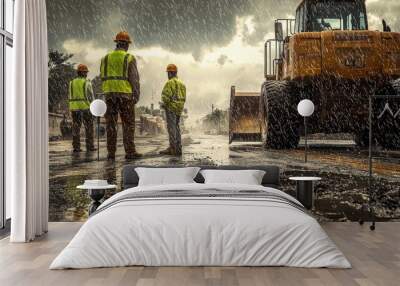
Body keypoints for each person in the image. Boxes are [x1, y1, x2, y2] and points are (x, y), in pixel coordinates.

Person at [100, 31, 141, 160]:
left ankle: (111, 152)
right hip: (125, 96)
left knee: (110, 124)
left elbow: (102, 77)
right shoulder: (129, 58)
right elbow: (134, 78)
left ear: (116, 43)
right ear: (127, 45)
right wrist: (136, 94)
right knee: (128, 124)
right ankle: (130, 151)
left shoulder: (105, 58)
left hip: (109, 95)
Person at [160, 64, 186, 156]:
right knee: (177, 128)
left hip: (171, 108)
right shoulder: (182, 84)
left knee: (172, 129)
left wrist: (163, 104)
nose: (168, 75)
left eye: (168, 73)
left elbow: (165, 97)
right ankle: (178, 148)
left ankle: (172, 148)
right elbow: (183, 98)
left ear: (170, 73)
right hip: (179, 109)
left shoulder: (170, 83)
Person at [69, 64, 95, 153]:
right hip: (85, 108)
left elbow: (70, 95)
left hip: (74, 108)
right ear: (83, 73)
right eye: (86, 72)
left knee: (76, 127)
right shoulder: (87, 82)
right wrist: (93, 106)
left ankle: (76, 147)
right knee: (89, 128)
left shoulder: (71, 82)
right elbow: (91, 96)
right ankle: (90, 146)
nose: (86, 74)